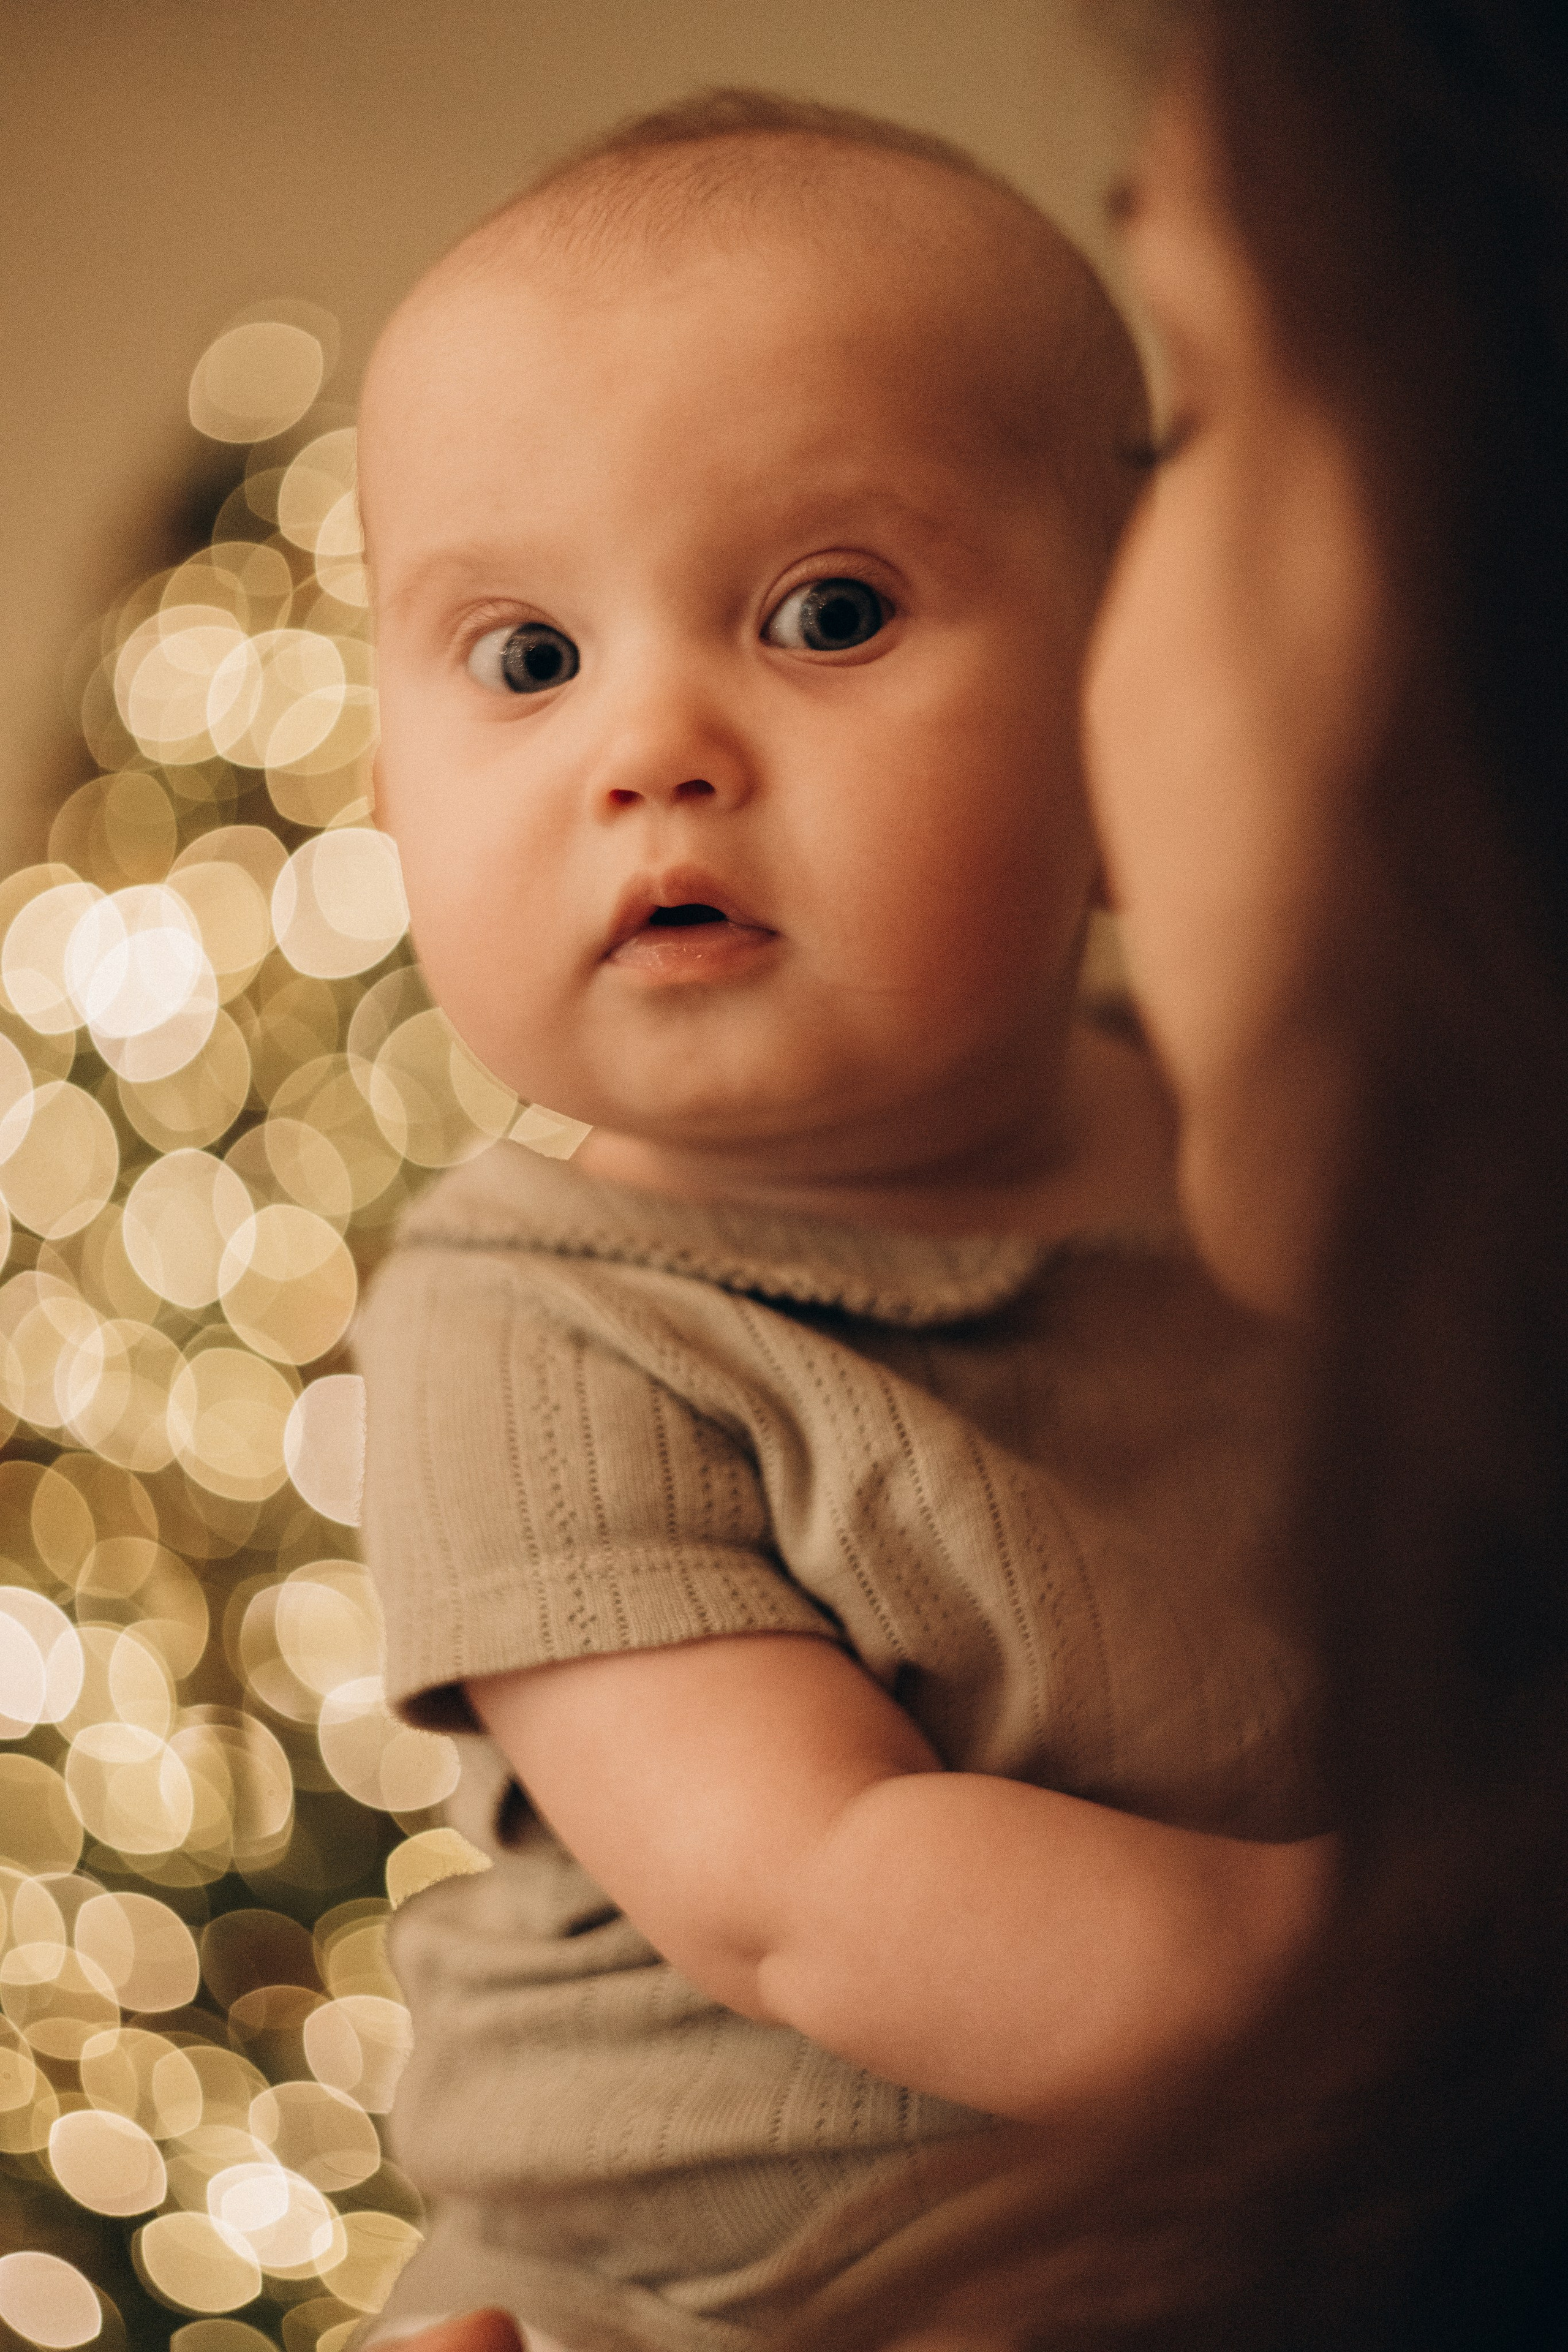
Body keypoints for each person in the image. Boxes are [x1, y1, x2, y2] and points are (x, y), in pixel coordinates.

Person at [350, 88, 1332, 2352]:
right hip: (725, 2291)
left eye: (827, 609)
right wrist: (1393, 1967)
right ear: (390, 787)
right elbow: (819, 1890)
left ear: (1122, 693)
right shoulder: (533, 1329)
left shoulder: (1260, 1134)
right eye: (524, 658)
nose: (652, 745)